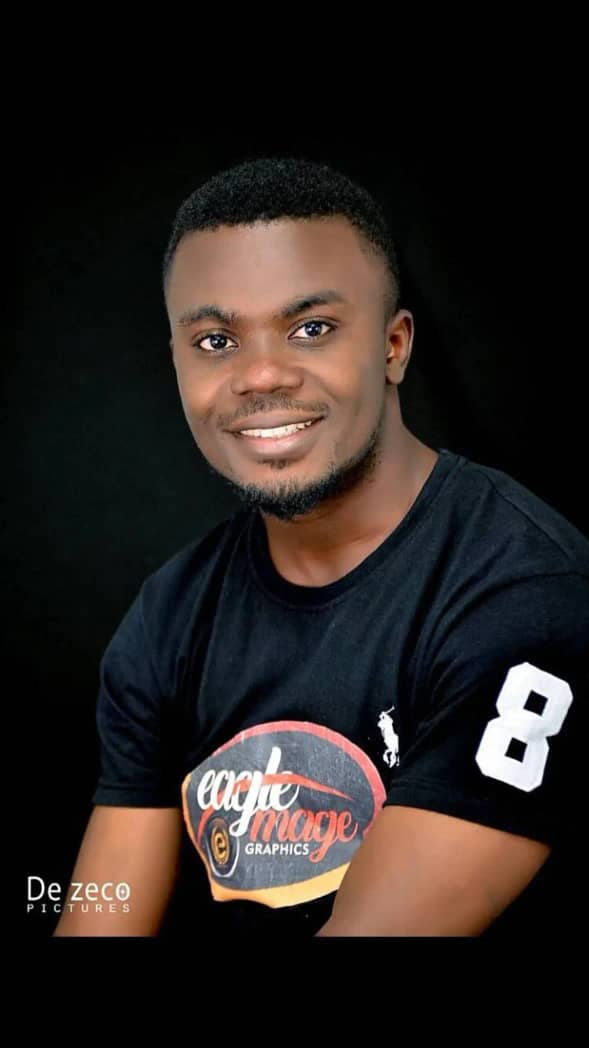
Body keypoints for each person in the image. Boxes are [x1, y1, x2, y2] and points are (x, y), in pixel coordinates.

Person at [54, 156, 588, 938]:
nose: (260, 375)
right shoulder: (171, 613)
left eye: (311, 329)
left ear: (393, 345)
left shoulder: (526, 593)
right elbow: (101, 917)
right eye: (214, 340)